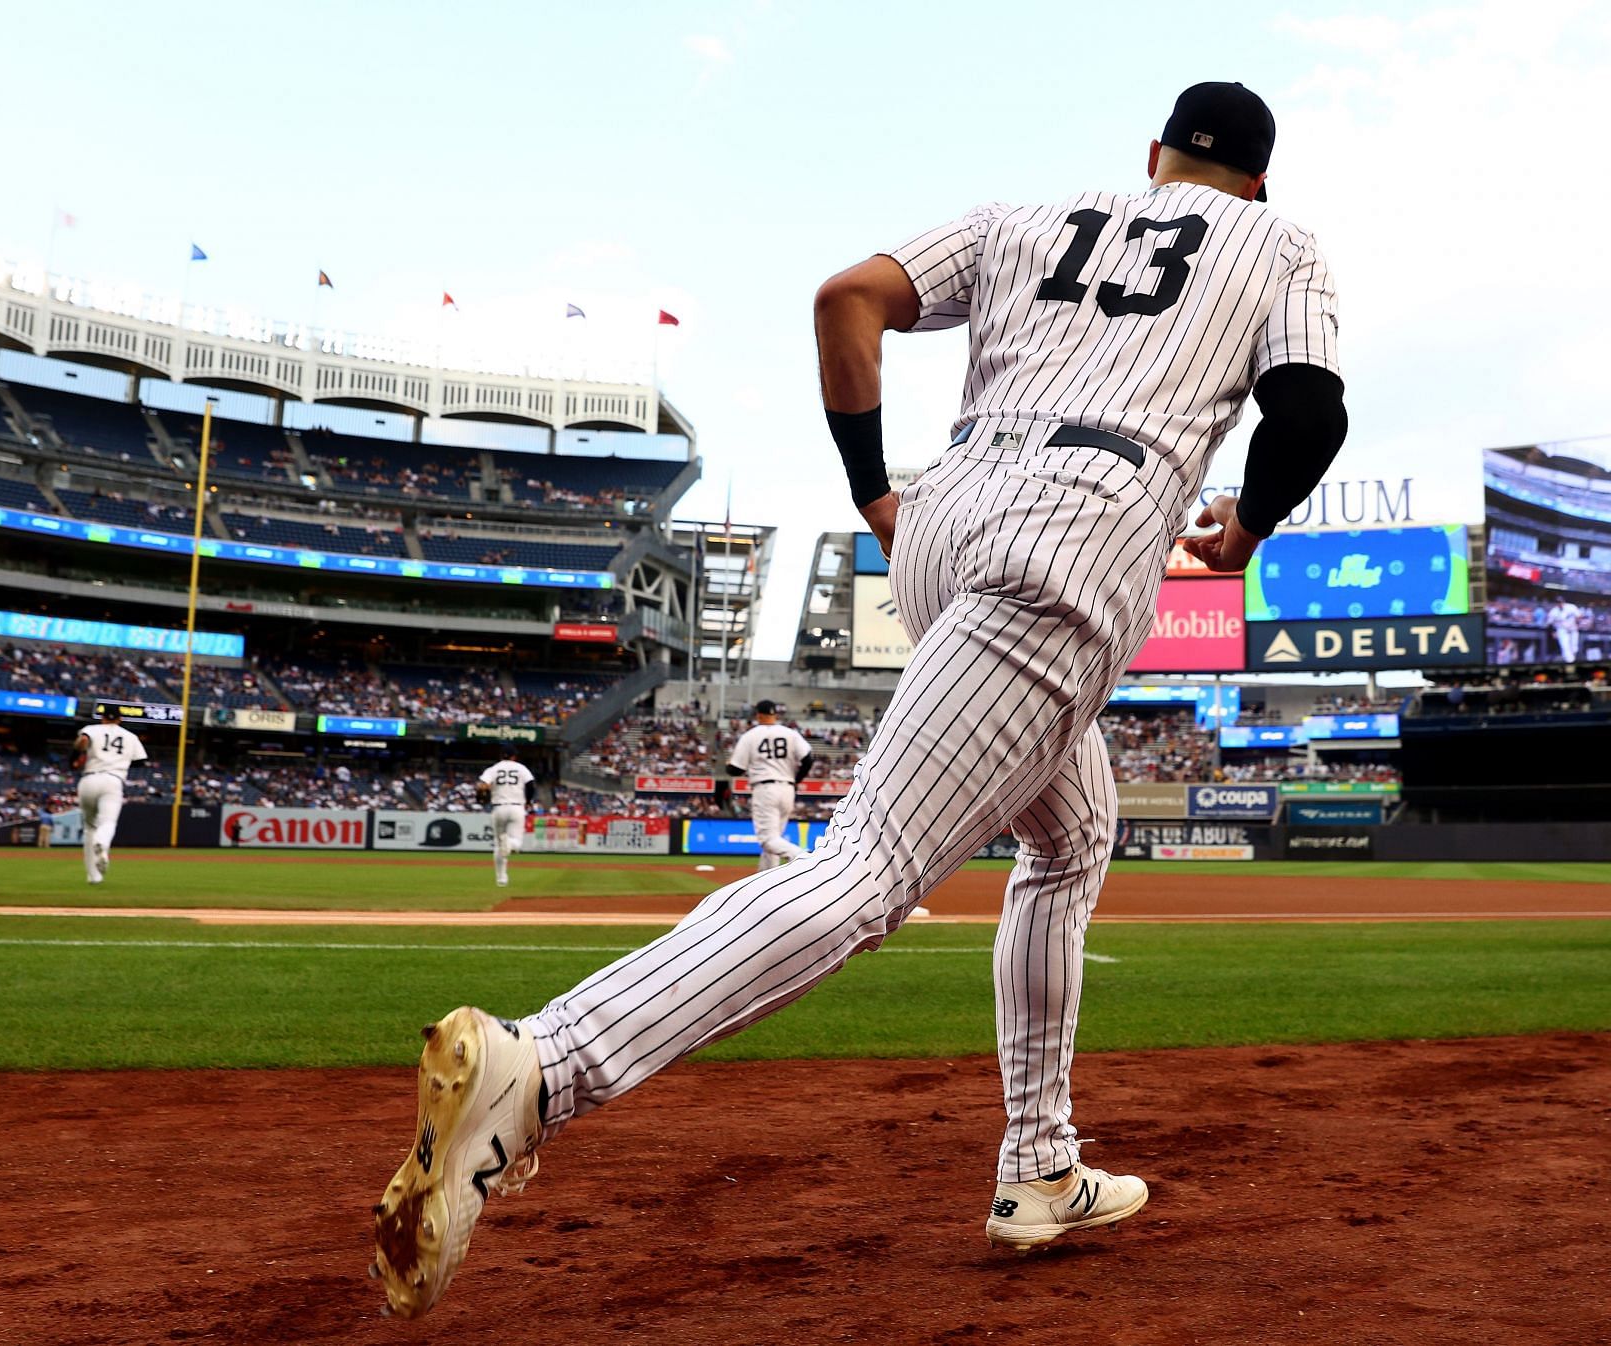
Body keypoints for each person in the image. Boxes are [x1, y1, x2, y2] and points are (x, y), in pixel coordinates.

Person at [370, 81, 1349, 1317]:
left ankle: (1039, 1165)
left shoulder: (1026, 217)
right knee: (871, 863)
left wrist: (874, 487)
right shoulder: (1282, 238)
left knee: (1072, 827)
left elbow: (848, 299)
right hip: (1087, 526)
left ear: (1151, 156)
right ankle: (544, 1066)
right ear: (1258, 180)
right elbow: (1309, 409)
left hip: (949, 514)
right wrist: (1250, 523)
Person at [725, 700, 814, 869]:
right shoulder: (790, 733)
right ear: (775, 715)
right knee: (774, 842)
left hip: (765, 789)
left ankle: (803, 856)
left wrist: (727, 765)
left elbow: (735, 769)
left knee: (768, 840)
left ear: (758, 715)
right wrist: (797, 780)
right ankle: (766, 884)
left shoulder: (751, 735)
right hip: (787, 789)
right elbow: (808, 759)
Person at [74, 707, 147, 884]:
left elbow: (81, 742)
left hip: (89, 780)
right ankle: (102, 843)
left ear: (102, 717)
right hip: (113, 780)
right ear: (120, 719)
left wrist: (81, 752)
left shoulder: (91, 729)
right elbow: (141, 761)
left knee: (89, 827)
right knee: (107, 822)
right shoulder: (130, 736)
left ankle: (94, 876)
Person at [475, 749, 535, 886]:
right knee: (517, 844)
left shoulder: (493, 769)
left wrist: (480, 799)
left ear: (501, 756)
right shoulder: (521, 768)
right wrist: (529, 801)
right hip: (517, 807)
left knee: (498, 846)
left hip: (499, 808)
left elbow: (482, 786)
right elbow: (531, 786)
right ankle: (509, 844)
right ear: (514, 756)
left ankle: (501, 879)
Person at [1549, 597, 1583, 665]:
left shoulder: (1571, 607)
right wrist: (1553, 632)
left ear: (1564, 601)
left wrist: (1577, 623)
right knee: (1565, 647)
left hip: (1573, 629)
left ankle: (1568, 660)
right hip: (1562, 630)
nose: (1560, 603)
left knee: (1574, 648)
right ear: (1556, 603)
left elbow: (1579, 616)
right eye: (1558, 602)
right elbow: (1550, 623)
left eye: (1561, 602)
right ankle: (1570, 663)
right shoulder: (1553, 611)